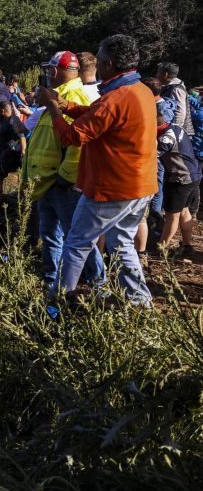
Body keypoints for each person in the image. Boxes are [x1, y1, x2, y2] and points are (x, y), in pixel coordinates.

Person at [39, 34, 157, 307]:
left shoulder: (115, 98)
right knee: (122, 244)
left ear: (109, 64)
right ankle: (141, 304)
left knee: (76, 243)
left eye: (100, 60)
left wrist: (54, 109)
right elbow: (97, 116)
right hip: (140, 185)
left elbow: (71, 137)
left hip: (111, 187)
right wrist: (65, 105)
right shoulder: (140, 90)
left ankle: (56, 305)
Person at [23, 50, 104, 290]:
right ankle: (52, 284)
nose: (47, 74)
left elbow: (80, 143)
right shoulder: (57, 95)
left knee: (77, 239)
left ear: (56, 71)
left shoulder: (75, 96)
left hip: (62, 184)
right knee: (50, 236)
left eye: (49, 69)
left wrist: (65, 177)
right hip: (46, 181)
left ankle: (99, 286)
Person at [156, 102, 199, 256]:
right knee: (184, 211)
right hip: (192, 175)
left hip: (180, 178)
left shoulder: (165, 138)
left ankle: (162, 248)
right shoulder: (174, 126)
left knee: (171, 216)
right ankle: (187, 245)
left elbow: (152, 155)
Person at [0, 101, 26, 211]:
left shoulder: (13, 121)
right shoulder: (4, 118)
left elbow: (22, 137)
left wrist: (23, 152)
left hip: (7, 155)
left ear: (3, 111)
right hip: (3, 151)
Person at [158, 62, 193, 137]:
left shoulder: (176, 89)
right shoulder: (170, 87)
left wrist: (175, 133)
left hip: (176, 133)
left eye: (158, 72)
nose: (156, 75)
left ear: (165, 75)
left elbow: (180, 112)